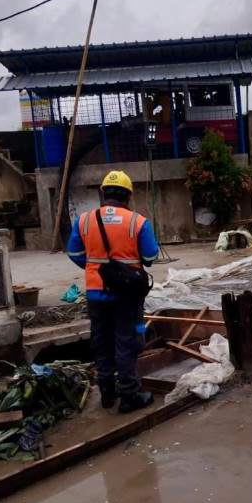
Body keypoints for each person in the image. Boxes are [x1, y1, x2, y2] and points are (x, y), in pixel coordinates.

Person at [67, 170, 160, 413]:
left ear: (103, 192)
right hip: (127, 295)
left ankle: (107, 393)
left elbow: (74, 253)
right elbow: (150, 257)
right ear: (128, 196)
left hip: (96, 294)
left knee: (102, 342)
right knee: (126, 343)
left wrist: (95, 267)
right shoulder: (137, 222)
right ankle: (129, 396)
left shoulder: (84, 220)